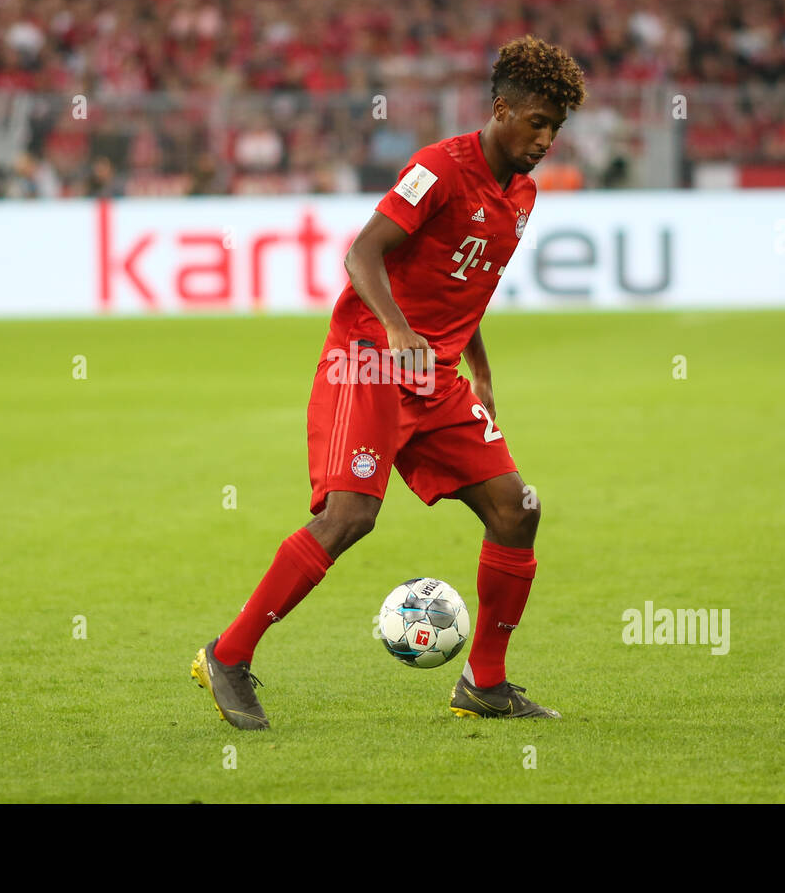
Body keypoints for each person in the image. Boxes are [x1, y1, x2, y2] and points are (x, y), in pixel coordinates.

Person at [191, 36, 587, 727]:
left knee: (516, 510)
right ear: (501, 110)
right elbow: (362, 253)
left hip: (436, 376)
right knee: (350, 517)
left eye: (555, 127)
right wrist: (398, 330)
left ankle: (484, 684)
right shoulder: (439, 168)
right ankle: (228, 654)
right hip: (370, 359)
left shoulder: (522, 194)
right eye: (537, 123)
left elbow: (466, 286)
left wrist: (480, 371)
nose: (546, 140)